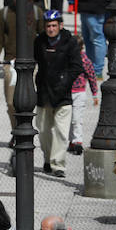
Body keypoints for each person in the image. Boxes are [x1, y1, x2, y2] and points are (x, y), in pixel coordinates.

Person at [34, 10, 83, 178]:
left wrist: (65, 82)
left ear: (60, 26)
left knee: (62, 132)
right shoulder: (39, 41)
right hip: (44, 93)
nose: (51, 29)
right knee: (43, 130)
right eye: (48, 26)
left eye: (54, 25)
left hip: (63, 95)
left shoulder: (70, 42)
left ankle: (58, 164)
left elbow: (77, 66)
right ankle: (48, 159)